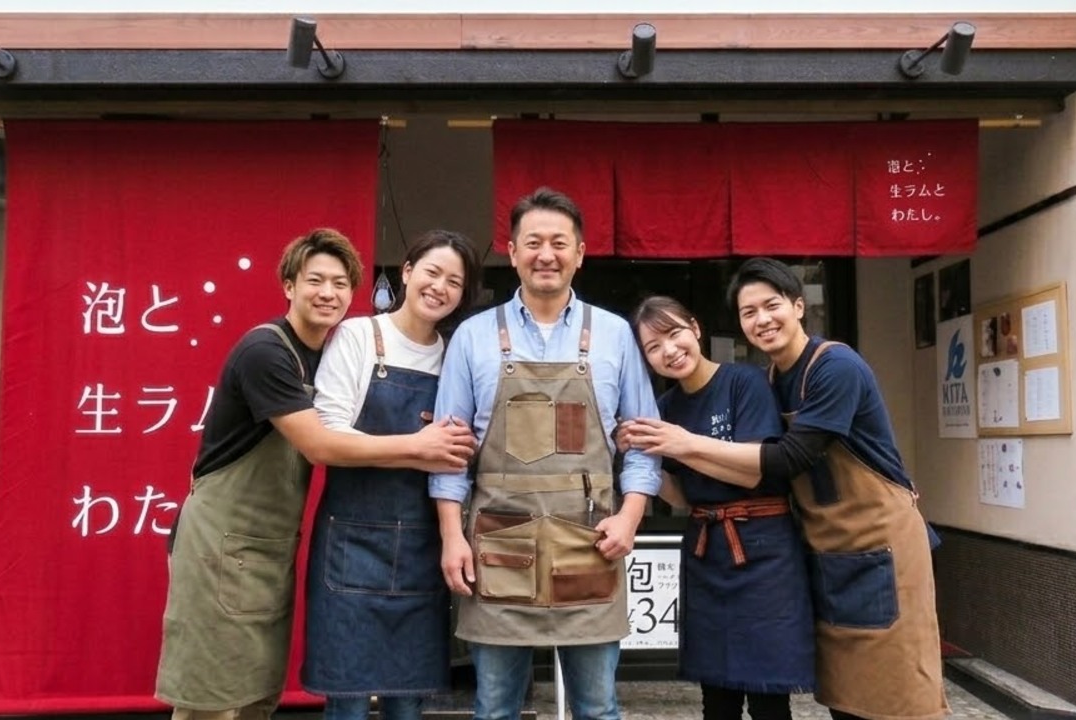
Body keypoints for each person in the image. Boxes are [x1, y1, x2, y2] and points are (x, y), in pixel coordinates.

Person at [156, 228, 478, 720]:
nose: (328, 294)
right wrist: (420, 447)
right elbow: (322, 442)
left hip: (279, 543)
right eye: (315, 281)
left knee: (255, 692)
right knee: (214, 696)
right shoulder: (272, 352)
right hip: (226, 540)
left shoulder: (443, 353)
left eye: (339, 284)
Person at [622, 258, 947, 720]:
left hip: (880, 543)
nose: (761, 320)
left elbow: (785, 460)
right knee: (845, 692)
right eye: (748, 313)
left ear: (799, 306)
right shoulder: (773, 380)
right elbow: (686, 490)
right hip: (821, 546)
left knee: (898, 692)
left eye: (770, 306)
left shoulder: (834, 366)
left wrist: (684, 443)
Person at [430, 187, 662, 720]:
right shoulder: (472, 336)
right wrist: (450, 536)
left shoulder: (614, 335)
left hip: (590, 543)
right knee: (494, 709)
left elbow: (644, 443)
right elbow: (449, 455)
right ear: (511, 252)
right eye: (532, 242)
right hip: (498, 545)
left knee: (598, 708)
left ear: (580, 253)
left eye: (560, 242)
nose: (546, 254)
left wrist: (629, 518)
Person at [302, 230, 482, 720]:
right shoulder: (360, 336)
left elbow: (462, 452)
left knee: (409, 701)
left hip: (424, 544)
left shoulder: (457, 355)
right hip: (351, 543)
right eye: (431, 272)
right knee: (349, 703)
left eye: (454, 282)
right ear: (406, 271)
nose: (439, 287)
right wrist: (418, 449)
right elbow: (329, 440)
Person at [620, 296, 814, 720]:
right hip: (706, 549)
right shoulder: (666, 410)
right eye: (653, 347)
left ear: (695, 328)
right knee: (716, 695)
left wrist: (680, 444)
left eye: (674, 334)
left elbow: (752, 472)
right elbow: (682, 497)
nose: (669, 350)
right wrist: (638, 453)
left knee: (767, 695)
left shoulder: (744, 382)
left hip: (765, 550)